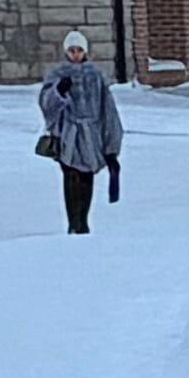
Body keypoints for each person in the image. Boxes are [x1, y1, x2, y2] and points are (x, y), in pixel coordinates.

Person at [37, 29, 121, 234]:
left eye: (79, 50)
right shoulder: (58, 75)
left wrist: (111, 146)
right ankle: (74, 222)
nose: (76, 54)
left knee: (86, 177)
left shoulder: (96, 76)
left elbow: (108, 111)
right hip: (69, 135)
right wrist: (58, 93)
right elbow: (46, 105)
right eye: (72, 50)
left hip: (91, 136)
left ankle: (83, 220)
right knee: (71, 175)